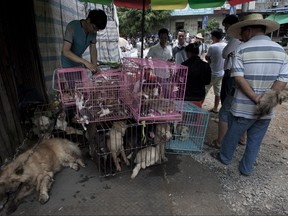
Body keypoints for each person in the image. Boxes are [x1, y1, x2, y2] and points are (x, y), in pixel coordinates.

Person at [211, 13, 288, 176]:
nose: (240, 36)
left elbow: (238, 78)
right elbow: (282, 81)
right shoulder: (281, 51)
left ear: (250, 30)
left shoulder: (241, 49)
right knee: (255, 140)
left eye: (242, 32)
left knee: (233, 134)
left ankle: (224, 158)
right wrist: (265, 100)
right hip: (266, 108)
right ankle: (246, 168)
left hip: (243, 107)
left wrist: (254, 97)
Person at [209, 15, 245, 149]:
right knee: (238, 105)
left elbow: (225, 54)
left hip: (231, 74)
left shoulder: (236, 39)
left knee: (226, 108)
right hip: (236, 74)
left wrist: (229, 53)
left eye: (226, 26)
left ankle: (221, 141)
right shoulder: (243, 40)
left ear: (232, 25)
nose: (226, 29)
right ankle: (241, 137)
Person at [61, 9, 107, 74]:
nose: (95, 31)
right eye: (94, 28)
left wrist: (94, 68)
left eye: (97, 30)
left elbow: (93, 50)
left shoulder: (93, 32)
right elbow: (65, 51)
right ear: (88, 20)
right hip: (68, 63)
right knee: (72, 82)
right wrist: (85, 62)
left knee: (81, 82)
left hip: (78, 62)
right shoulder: (72, 26)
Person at [205, 28, 227, 113]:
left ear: (214, 37)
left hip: (212, 72)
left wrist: (210, 60)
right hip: (222, 73)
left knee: (205, 89)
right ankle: (215, 108)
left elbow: (207, 57)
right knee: (218, 91)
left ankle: (199, 106)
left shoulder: (212, 47)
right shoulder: (226, 45)